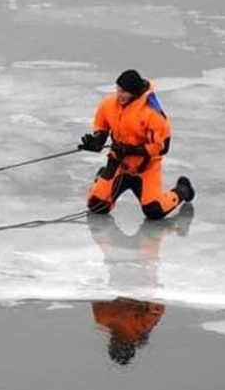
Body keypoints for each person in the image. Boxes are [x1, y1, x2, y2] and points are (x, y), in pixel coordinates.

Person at [78, 69, 195, 220]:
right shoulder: (108, 104)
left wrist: (129, 150)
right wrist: (96, 141)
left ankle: (182, 190)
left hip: (145, 169)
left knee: (154, 211)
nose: (119, 95)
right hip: (118, 164)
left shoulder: (152, 114)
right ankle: (102, 176)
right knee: (97, 206)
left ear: (135, 92)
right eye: (118, 90)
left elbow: (162, 147)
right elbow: (101, 126)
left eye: (124, 92)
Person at [87, 205, 193, 365]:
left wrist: (155, 292)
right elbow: (96, 293)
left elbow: (157, 307)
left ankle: (174, 224)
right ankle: (169, 222)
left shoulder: (136, 327)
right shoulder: (105, 321)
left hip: (138, 271)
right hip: (123, 267)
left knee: (151, 233)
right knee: (141, 234)